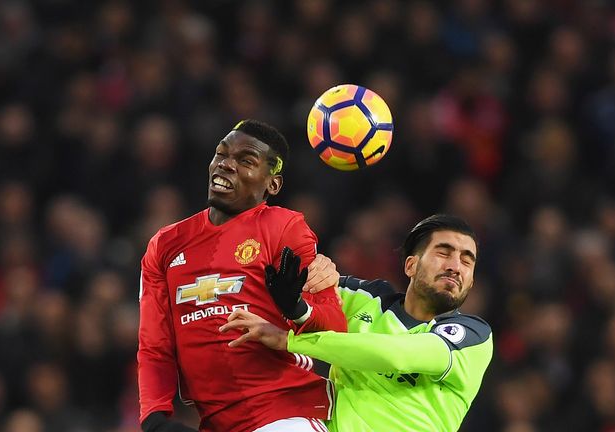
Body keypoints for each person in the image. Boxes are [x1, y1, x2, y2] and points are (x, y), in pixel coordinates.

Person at [138, 119, 347, 432]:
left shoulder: (284, 228)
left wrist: (297, 310)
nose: (225, 165)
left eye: (245, 160)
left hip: (286, 412)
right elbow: (154, 344)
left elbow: (335, 325)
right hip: (215, 422)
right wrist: (154, 419)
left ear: (272, 184)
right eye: (221, 155)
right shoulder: (165, 245)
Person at [221, 214, 494, 432]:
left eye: (466, 260)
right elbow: (297, 286)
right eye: (444, 253)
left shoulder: (472, 337)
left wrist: (290, 341)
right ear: (411, 265)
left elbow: (395, 355)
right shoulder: (365, 298)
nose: (456, 266)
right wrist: (315, 274)